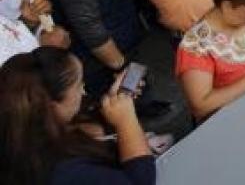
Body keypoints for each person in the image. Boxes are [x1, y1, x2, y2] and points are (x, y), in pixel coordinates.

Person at [0, 47, 155, 185]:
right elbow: (142, 180)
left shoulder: (17, 134)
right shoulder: (63, 172)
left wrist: (111, 107)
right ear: (53, 106)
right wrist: (126, 121)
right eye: (79, 84)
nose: (83, 91)